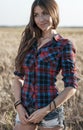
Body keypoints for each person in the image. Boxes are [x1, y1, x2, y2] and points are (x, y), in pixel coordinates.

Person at [12, 0, 78, 130]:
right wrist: (18, 105)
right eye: (36, 15)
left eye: (45, 13)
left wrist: (45, 110)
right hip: (25, 109)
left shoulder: (64, 45)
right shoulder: (28, 42)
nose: (40, 19)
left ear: (54, 13)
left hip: (50, 112)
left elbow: (71, 86)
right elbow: (17, 78)